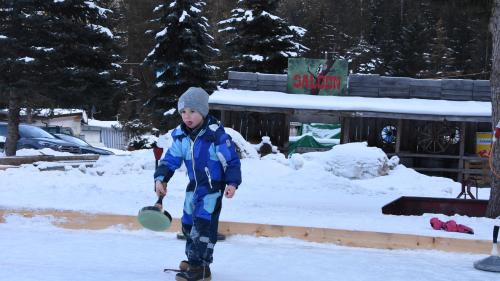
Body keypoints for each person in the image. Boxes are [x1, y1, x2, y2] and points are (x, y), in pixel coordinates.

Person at [154, 87, 242, 281]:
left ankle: (201, 268)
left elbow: (232, 162)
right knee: (187, 224)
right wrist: (161, 178)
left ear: (203, 111)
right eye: (183, 112)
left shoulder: (216, 136)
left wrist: (232, 183)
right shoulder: (182, 137)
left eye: (192, 111)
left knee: (203, 227)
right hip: (193, 188)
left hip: (212, 189)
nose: (187, 116)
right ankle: (193, 259)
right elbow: (170, 160)